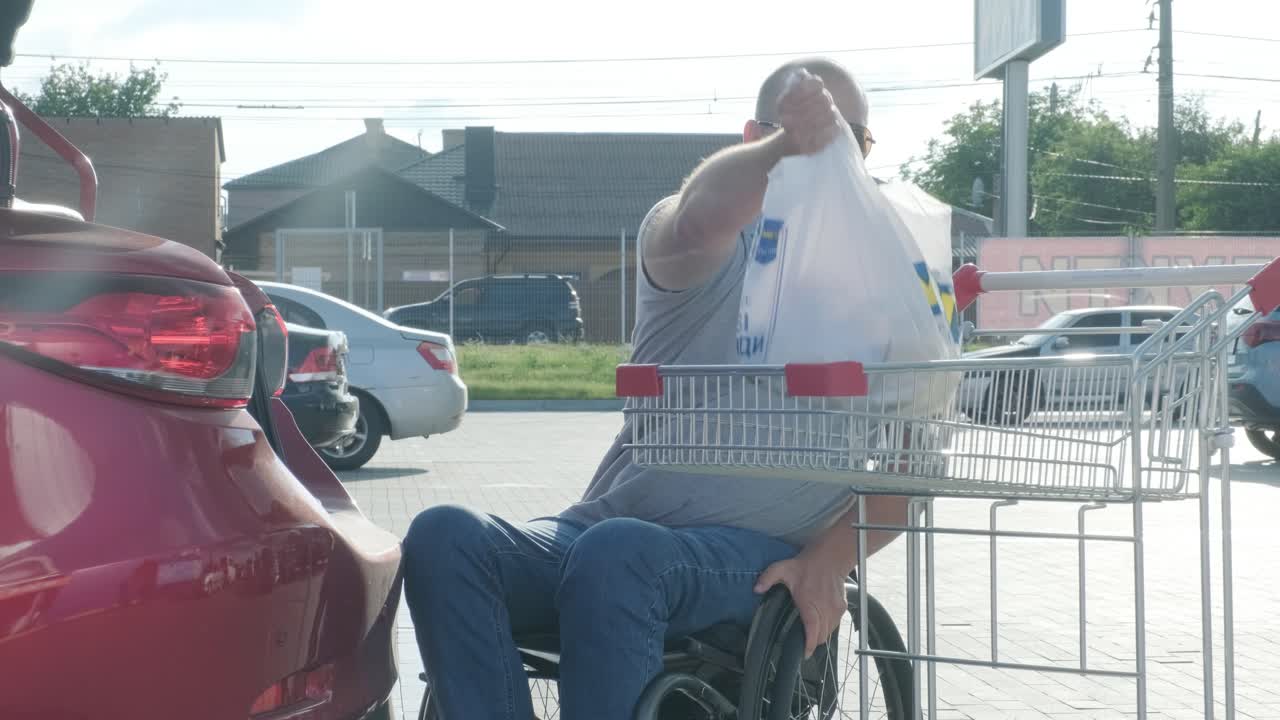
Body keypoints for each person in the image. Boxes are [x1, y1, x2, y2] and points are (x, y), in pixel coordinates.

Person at [403, 56, 908, 720]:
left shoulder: (890, 280)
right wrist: (790, 151)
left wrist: (832, 559)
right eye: (811, 139)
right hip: (604, 534)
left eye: (850, 143)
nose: (831, 160)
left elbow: (914, 464)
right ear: (752, 137)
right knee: (443, 535)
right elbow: (698, 217)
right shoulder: (708, 247)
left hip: (748, 556)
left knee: (620, 554)